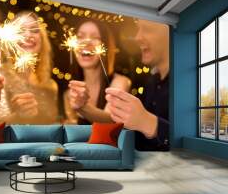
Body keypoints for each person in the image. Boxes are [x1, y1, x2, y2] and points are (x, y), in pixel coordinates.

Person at [105, 19, 169, 151]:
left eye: (148, 29)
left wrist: (149, 123)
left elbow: (196, 142)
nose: (137, 37)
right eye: (138, 29)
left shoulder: (191, 81)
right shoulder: (151, 82)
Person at [0, 11, 59, 124]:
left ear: (42, 39)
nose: (28, 35)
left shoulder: (50, 85)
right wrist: (19, 116)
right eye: (21, 31)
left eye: (34, 30)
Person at [64, 19, 131, 124]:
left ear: (106, 46)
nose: (86, 42)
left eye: (95, 37)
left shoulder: (120, 82)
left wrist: (82, 107)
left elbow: (111, 119)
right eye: (80, 37)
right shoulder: (69, 94)